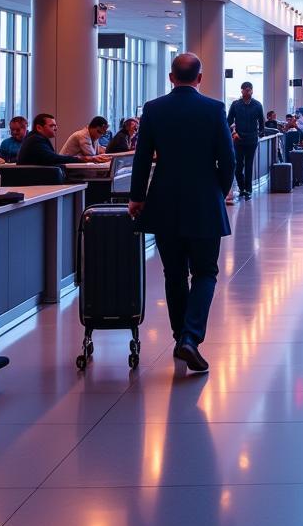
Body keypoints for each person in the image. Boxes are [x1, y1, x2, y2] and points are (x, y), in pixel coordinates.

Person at [128, 52, 235, 374]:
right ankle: (190, 337)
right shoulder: (214, 109)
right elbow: (227, 158)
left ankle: (179, 338)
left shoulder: (154, 109)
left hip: (164, 201)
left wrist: (137, 197)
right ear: (199, 78)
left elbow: (142, 157)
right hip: (204, 201)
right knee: (205, 272)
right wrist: (220, 188)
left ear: (171, 77)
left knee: (173, 274)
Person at [18, 113, 103, 166]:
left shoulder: (35, 138)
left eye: (55, 125)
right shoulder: (35, 140)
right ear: (39, 128)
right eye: (52, 126)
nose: (56, 128)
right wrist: (82, 159)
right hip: (36, 182)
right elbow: (53, 159)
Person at [227, 81, 265, 199]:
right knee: (238, 166)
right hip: (238, 139)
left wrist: (260, 133)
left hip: (252, 139)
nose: (247, 92)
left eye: (249, 90)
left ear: (252, 91)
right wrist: (232, 133)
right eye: (245, 90)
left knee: (249, 165)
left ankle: (248, 190)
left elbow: (262, 122)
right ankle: (241, 187)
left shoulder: (257, 105)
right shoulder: (235, 105)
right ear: (241, 90)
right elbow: (228, 121)